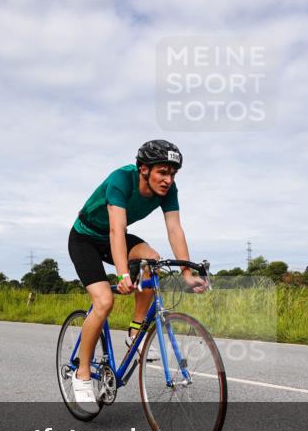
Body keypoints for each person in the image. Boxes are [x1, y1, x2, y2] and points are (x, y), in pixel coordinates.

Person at [67, 140, 206, 411]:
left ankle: (135, 331)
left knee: (151, 262)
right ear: (144, 169)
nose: (168, 180)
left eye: (173, 174)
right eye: (162, 173)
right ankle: (82, 372)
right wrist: (122, 275)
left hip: (113, 239)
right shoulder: (121, 179)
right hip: (85, 238)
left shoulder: (169, 190)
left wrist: (187, 273)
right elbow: (116, 230)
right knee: (104, 302)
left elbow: (175, 229)